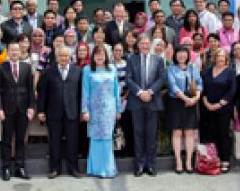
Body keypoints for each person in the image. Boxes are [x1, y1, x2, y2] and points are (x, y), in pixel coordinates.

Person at [38, 46, 82, 178]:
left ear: (70, 57)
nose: (64, 58)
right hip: (53, 112)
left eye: (66, 56)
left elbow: (81, 93)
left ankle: (73, 168)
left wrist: (81, 111)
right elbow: (43, 93)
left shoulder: (78, 71)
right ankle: (54, 169)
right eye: (61, 56)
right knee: (54, 142)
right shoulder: (48, 71)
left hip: (72, 112)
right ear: (57, 57)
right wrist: (41, 110)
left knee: (72, 142)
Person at [125, 35, 166, 177]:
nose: (144, 46)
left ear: (150, 45)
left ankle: (151, 165)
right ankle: (139, 165)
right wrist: (140, 92)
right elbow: (128, 78)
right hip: (137, 101)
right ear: (138, 45)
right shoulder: (131, 59)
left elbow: (161, 78)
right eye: (142, 43)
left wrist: (150, 92)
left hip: (152, 101)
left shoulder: (158, 60)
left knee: (151, 135)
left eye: (147, 43)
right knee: (138, 134)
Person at [0, 42, 35, 180]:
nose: (14, 52)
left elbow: (30, 89)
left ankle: (20, 167)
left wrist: (31, 106)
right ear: (8, 51)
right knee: (6, 139)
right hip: (7, 109)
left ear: (20, 51)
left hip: (23, 109)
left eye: (16, 50)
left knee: (20, 140)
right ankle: (5, 168)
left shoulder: (27, 67)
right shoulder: (1, 68)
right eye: (11, 50)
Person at [81, 45, 123, 178]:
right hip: (94, 110)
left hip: (109, 111)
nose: (100, 57)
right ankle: (95, 169)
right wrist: (85, 110)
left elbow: (117, 91)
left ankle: (108, 169)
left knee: (107, 138)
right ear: (93, 56)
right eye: (97, 54)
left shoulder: (112, 69)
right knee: (95, 138)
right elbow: (85, 91)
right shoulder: (87, 70)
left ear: (106, 56)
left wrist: (118, 108)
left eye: (102, 54)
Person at [200, 47, 236, 173]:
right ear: (214, 58)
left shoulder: (230, 71)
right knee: (211, 134)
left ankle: (225, 159)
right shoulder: (208, 71)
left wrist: (220, 104)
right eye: (218, 55)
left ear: (226, 58)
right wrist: (206, 102)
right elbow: (203, 88)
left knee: (223, 135)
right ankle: (213, 160)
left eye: (223, 55)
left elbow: (232, 90)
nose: (220, 58)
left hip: (223, 109)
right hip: (208, 108)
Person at [166, 46, 202, 174]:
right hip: (176, 102)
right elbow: (172, 86)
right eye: (179, 53)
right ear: (175, 55)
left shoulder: (193, 68)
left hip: (191, 102)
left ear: (188, 55)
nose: (182, 56)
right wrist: (186, 99)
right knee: (177, 132)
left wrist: (195, 98)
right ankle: (178, 161)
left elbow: (199, 84)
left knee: (189, 133)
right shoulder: (171, 69)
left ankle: (188, 161)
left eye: (184, 53)